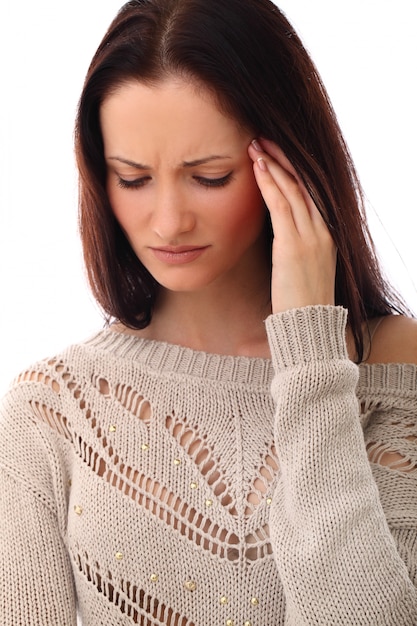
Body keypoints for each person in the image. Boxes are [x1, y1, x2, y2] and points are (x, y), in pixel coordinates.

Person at [1, 0, 416, 623]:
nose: (168, 222)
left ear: (291, 165)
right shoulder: (52, 411)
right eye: (132, 179)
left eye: (211, 176)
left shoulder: (395, 366)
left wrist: (309, 354)